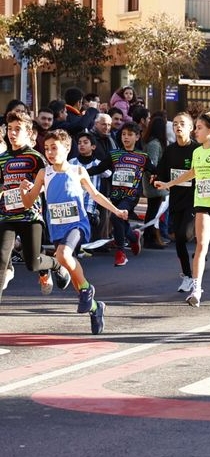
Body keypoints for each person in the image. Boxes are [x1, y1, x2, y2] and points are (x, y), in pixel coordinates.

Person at [19, 130, 130, 335]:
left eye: (55, 148)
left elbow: (95, 195)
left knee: (63, 255)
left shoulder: (77, 171)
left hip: (77, 224)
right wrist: (23, 190)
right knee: (70, 268)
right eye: (47, 149)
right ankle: (96, 308)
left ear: (67, 148)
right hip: (56, 227)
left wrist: (116, 210)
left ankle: (87, 290)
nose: (50, 153)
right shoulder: (44, 173)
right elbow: (27, 202)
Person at [155, 112, 210, 306]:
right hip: (201, 202)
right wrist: (169, 184)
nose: (195, 132)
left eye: (199, 128)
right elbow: (191, 173)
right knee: (201, 245)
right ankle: (196, 290)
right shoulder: (197, 152)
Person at [0, 111, 72, 301]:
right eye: (9, 129)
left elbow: (49, 182)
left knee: (33, 263)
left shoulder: (36, 158)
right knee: (0, 259)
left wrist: (35, 189)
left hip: (30, 216)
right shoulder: (2, 158)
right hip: (7, 215)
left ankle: (56, 264)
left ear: (28, 133)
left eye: (17, 129)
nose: (12, 133)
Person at [88, 122, 155, 267]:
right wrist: (78, 173)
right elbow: (99, 168)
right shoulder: (114, 154)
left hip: (131, 196)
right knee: (120, 220)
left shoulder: (142, 156)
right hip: (115, 195)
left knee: (115, 216)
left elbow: (154, 171)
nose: (126, 137)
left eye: (130, 134)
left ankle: (120, 253)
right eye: (124, 134)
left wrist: (158, 177)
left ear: (137, 137)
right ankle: (133, 236)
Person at [156, 113, 198, 293]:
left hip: (194, 200)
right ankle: (188, 276)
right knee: (178, 240)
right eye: (175, 124)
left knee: (183, 235)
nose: (178, 127)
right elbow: (162, 174)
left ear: (191, 128)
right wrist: (156, 179)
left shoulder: (197, 150)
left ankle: (199, 255)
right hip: (175, 200)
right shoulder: (170, 150)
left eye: (182, 124)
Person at [141, 115, 169, 249]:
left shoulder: (151, 142)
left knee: (153, 211)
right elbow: (152, 163)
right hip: (154, 182)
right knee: (153, 211)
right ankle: (149, 238)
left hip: (152, 181)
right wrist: (157, 179)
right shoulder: (154, 144)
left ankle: (150, 237)